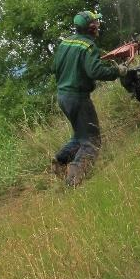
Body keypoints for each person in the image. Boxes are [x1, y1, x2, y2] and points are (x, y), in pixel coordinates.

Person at [51, 10, 126, 186]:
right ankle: (74, 179)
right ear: (91, 27)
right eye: (96, 23)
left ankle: (60, 161)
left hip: (63, 97)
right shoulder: (88, 47)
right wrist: (118, 71)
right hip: (78, 98)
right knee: (91, 141)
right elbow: (95, 71)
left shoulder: (65, 43)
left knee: (79, 136)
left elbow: (54, 67)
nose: (98, 25)